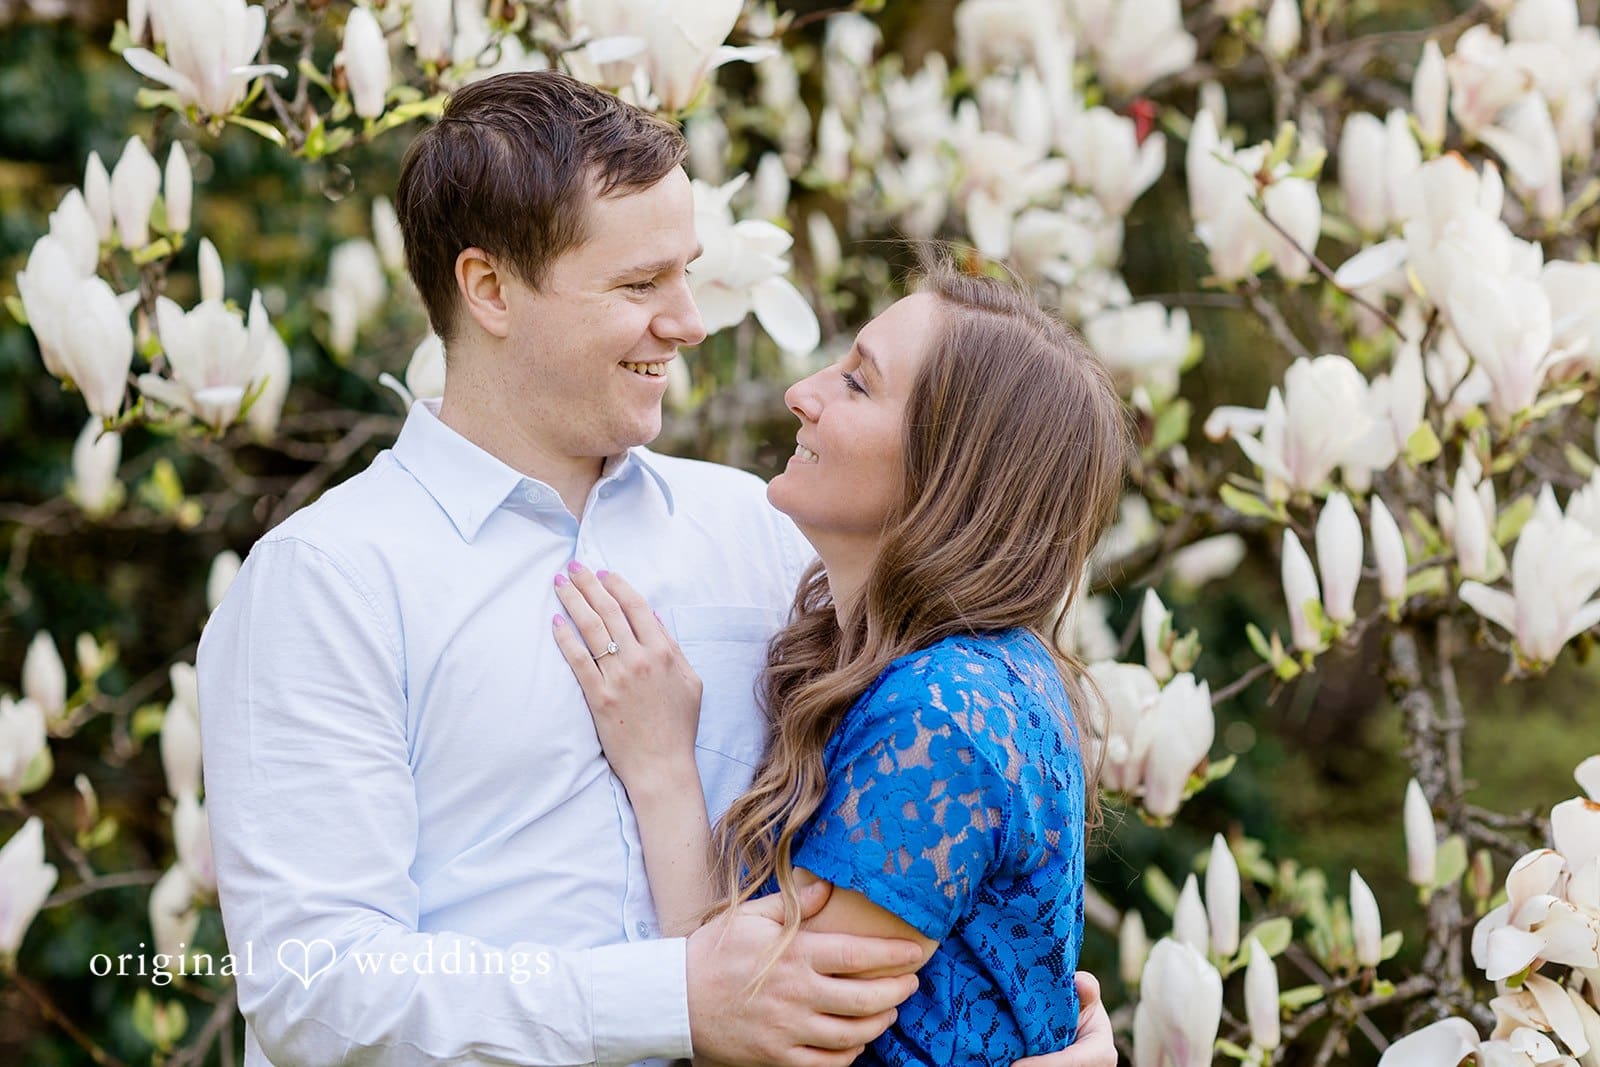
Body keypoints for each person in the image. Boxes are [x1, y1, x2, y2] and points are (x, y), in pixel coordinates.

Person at [198, 70, 1117, 1066]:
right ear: (490, 288)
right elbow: (317, 988)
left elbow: (932, 860)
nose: (689, 320)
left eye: (685, 273)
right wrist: (672, 999)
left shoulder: (766, 534)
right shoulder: (328, 580)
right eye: (639, 285)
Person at [549, 259, 1127, 1064]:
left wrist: (660, 770)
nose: (802, 392)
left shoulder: (941, 714)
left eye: (858, 383)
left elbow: (757, 1042)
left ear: (946, 471)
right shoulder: (994, 671)